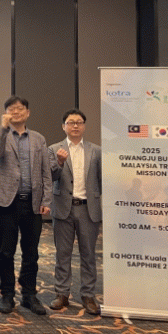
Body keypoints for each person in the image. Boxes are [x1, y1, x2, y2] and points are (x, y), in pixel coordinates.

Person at [0, 96, 52, 315]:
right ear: (6, 113)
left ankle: (29, 295)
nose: (16, 112)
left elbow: (45, 171)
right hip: (7, 202)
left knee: (31, 252)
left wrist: (46, 200)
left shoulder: (38, 138)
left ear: (28, 112)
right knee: (6, 252)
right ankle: (7, 294)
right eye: (11, 109)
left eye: (20, 108)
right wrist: (4, 128)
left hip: (32, 202)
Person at [48, 109, 102, 315]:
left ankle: (88, 295)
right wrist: (59, 163)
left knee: (88, 254)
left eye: (79, 122)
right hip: (64, 208)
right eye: (71, 122)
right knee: (63, 254)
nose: (75, 126)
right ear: (64, 126)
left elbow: (101, 180)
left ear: (84, 126)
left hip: (88, 209)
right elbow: (50, 176)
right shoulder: (54, 149)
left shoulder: (96, 151)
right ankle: (62, 293)